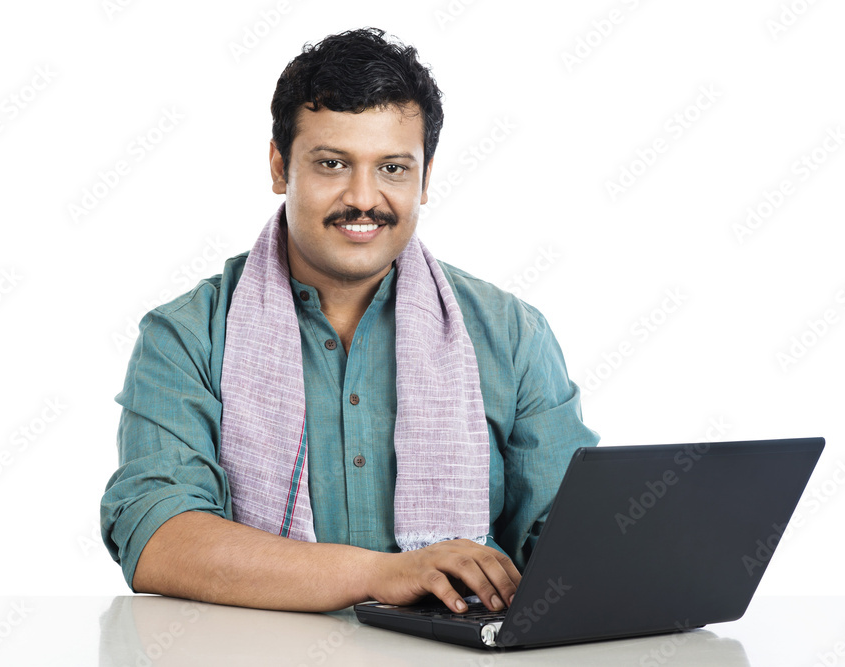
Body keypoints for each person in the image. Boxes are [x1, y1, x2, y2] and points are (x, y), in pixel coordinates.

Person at [100, 26, 599, 616]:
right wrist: (381, 574)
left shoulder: (511, 334)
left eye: (393, 168)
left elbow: (574, 542)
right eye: (333, 163)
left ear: (425, 178)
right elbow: (159, 539)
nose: (364, 197)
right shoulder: (186, 335)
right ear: (280, 167)